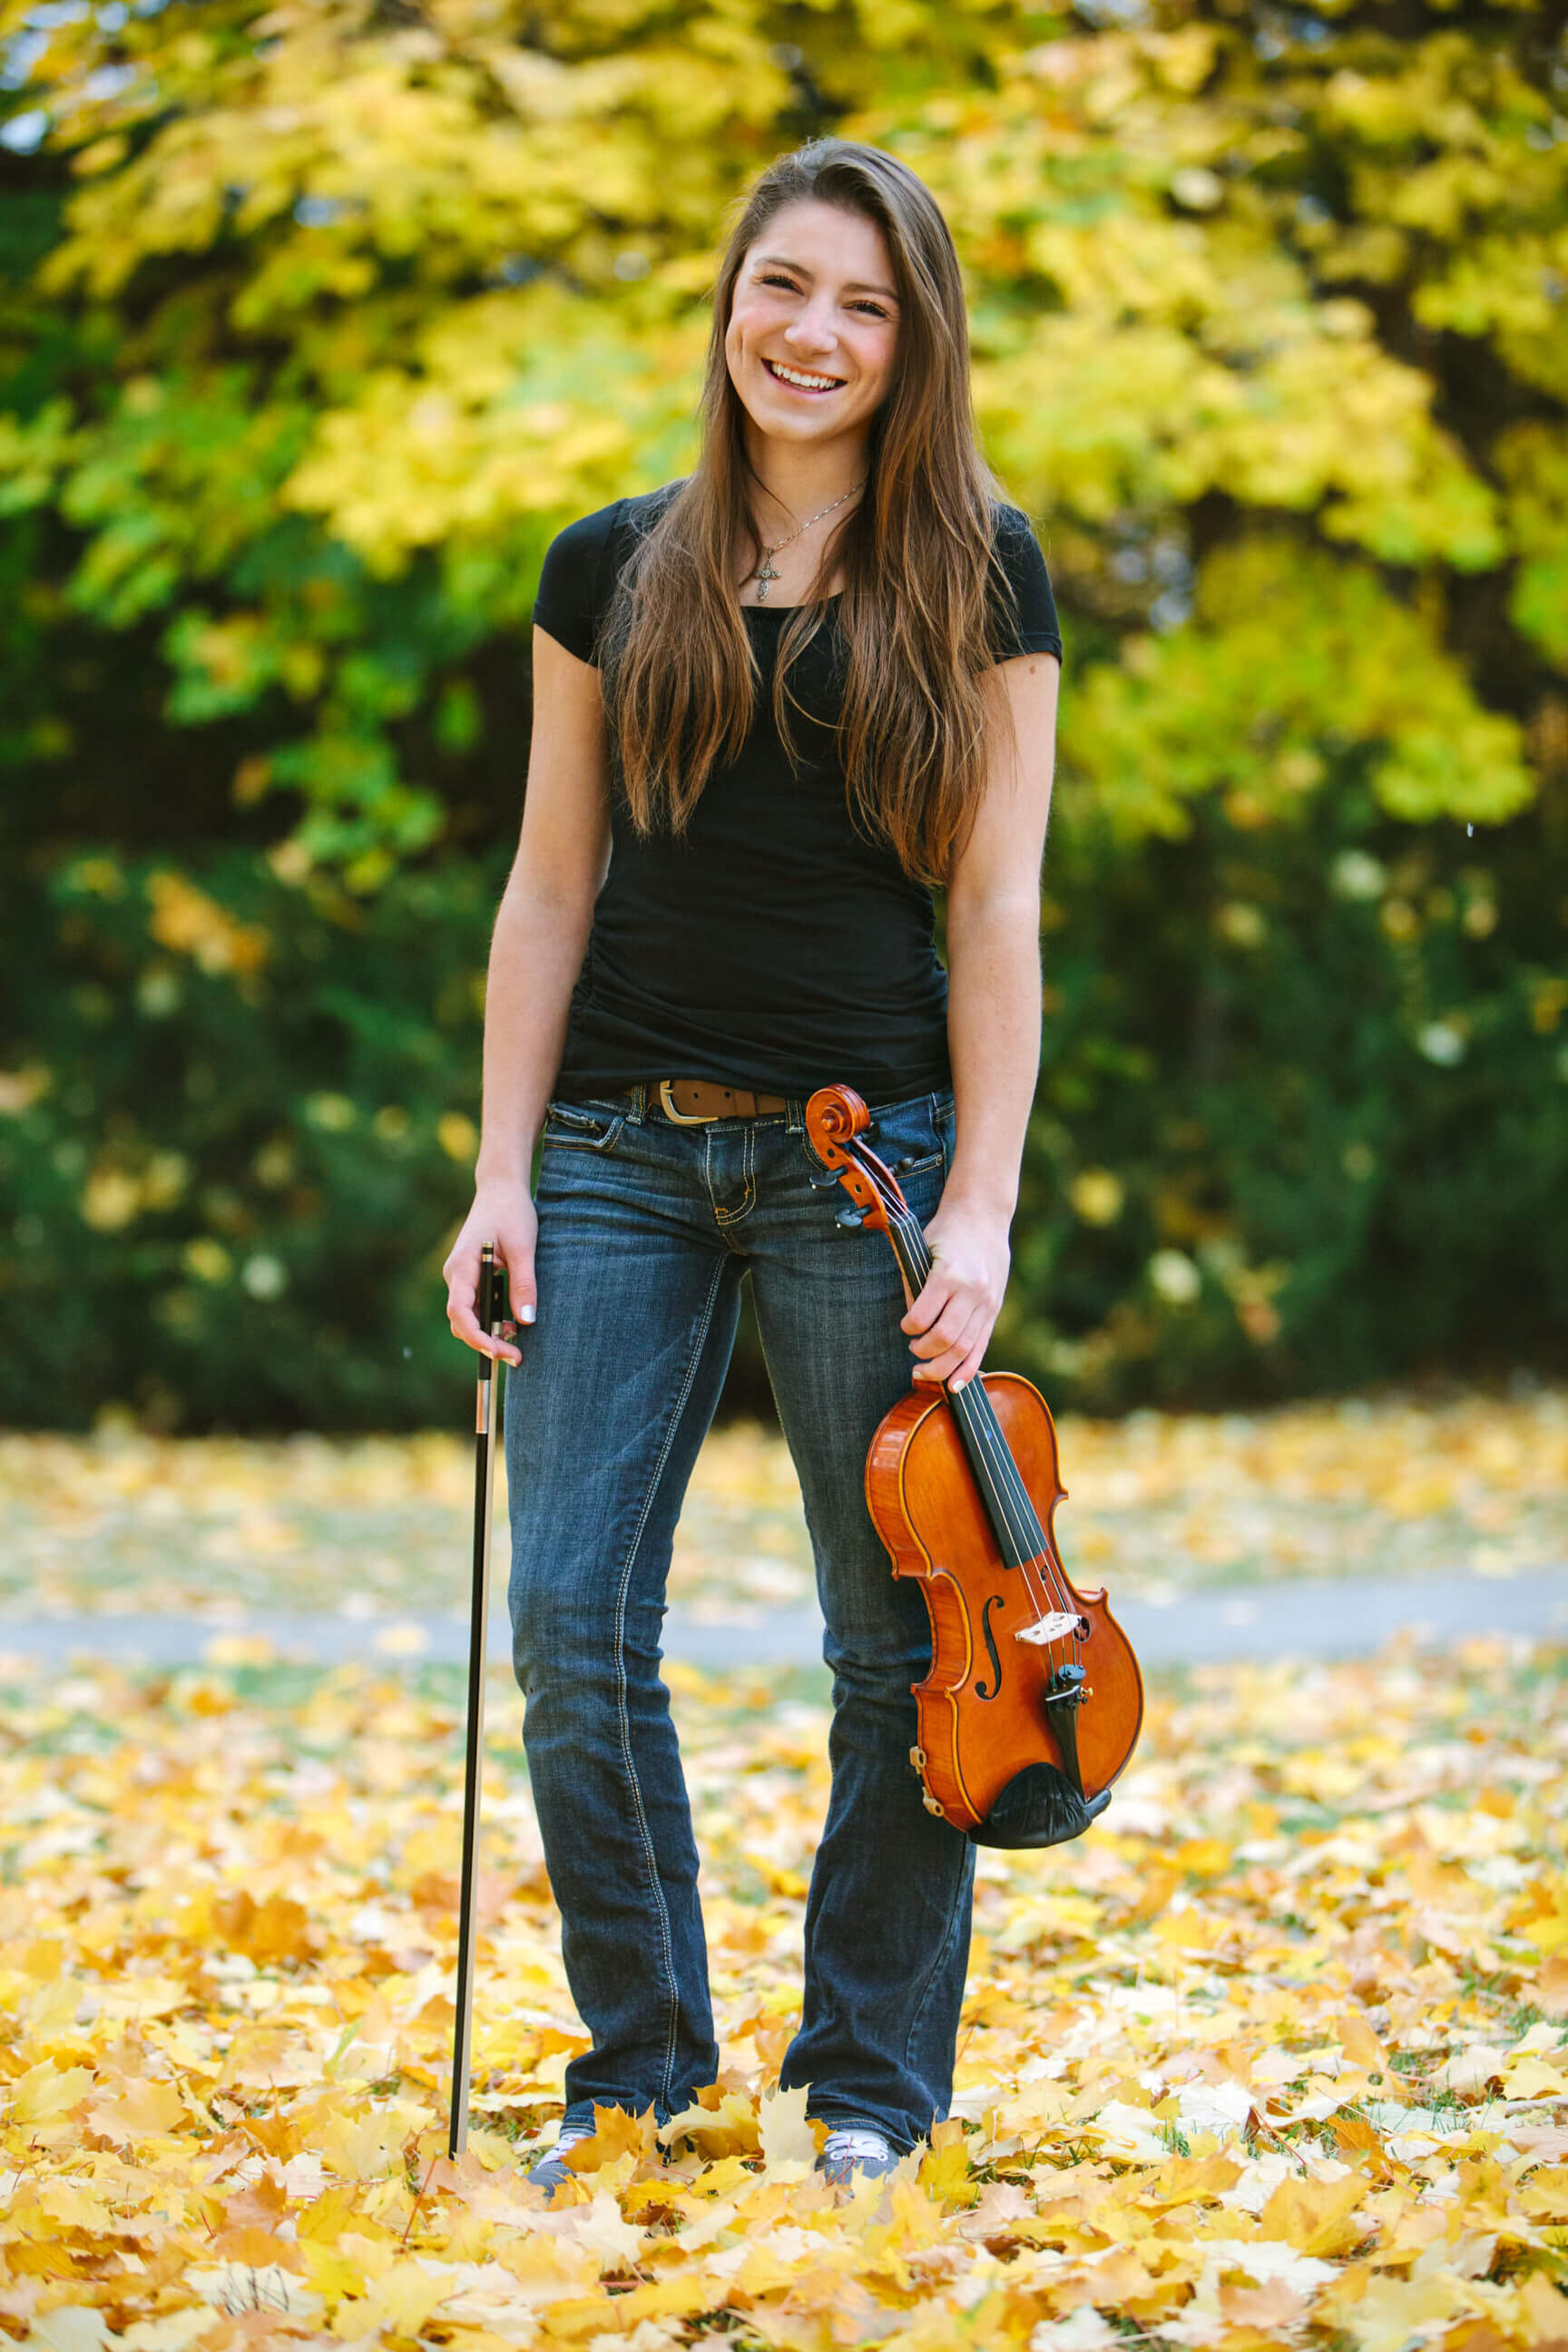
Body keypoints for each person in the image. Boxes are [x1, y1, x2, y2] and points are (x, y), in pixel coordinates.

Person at [442, 137, 1062, 2191]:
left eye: (867, 306)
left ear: (916, 344)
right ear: (731, 303)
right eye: (785, 287)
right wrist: (500, 1173)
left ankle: (871, 2086)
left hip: (864, 1163)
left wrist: (975, 1204)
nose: (816, 333)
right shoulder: (611, 566)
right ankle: (642, 2068)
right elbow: (547, 892)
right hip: (617, 1150)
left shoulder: (983, 574)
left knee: (900, 1646)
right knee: (566, 1630)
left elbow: (996, 919)